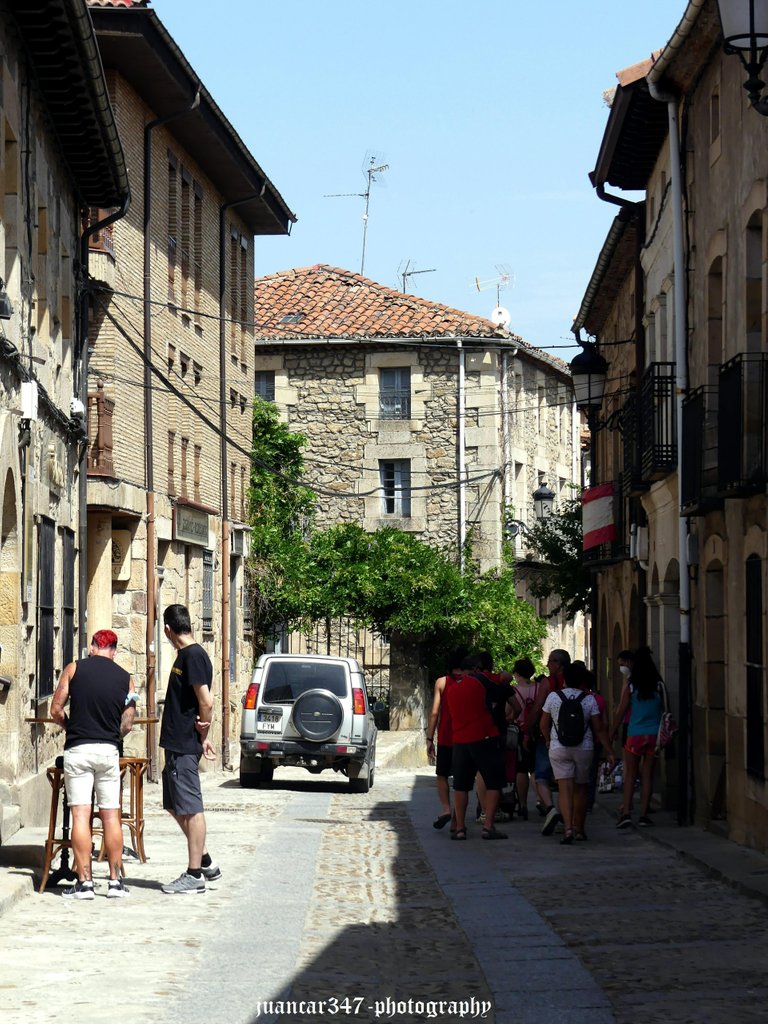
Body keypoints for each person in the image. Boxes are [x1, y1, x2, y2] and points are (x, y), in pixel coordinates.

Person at [50, 629, 137, 899]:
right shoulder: (127, 679)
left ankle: (85, 883)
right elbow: (128, 722)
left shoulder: (74, 669)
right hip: (108, 751)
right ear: (114, 650)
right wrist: (112, 734)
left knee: (80, 816)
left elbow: (55, 709)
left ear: (92, 647)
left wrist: (71, 727)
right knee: (111, 816)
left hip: (78, 749)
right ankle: (114, 882)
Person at [159, 604, 220, 893]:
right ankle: (205, 859)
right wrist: (204, 737)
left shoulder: (193, 655)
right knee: (173, 805)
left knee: (192, 808)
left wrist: (203, 728)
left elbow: (205, 701)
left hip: (183, 743)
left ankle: (194, 874)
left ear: (168, 629)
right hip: (178, 742)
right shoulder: (186, 655)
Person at [540, 661, 615, 844]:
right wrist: (609, 750)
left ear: (564, 678)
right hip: (584, 747)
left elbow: (543, 724)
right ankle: (579, 829)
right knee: (581, 788)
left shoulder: (553, 697)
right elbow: (599, 728)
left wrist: (548, 740)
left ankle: (567, 829)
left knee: (564, 789)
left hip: (559, 747)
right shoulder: (589, 699)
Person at [443, 654, 511, 840]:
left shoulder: (451, 689)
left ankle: (460, 828)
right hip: (485, 736)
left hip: (460, 740)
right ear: (475, 669)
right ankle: (488, 826)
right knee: (494, 783)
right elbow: (506, 679)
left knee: (461, 786)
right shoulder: (480, 681)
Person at [610, 646, 665, 829]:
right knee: (648, 774)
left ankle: (626, 812)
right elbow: (666, 711)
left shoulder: (632, 686)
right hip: (653, 735)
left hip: (635, 734)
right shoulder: (659, 685)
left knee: (631, 774)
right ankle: (643, 814)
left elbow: (621, 711)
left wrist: (612, 731)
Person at [528, 649, 571, 836]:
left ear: (559, 664)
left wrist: (529, 729)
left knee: (541, 776)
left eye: (550, 661)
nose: (547, 665)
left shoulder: (548, 683)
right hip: (576, 737)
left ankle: (551, 808)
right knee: (567, 779)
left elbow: (538, 708)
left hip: (550, 736)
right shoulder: (577, 681)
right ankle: (568, 818)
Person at [425, 647, 467, 830]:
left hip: (446, 736)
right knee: (460, 780)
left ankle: (446, 809)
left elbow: (435, 712)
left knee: (442, 775)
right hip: (466, 737)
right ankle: (458, 821)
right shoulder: (471, 682)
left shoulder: (442, 682)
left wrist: (429, 738)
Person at [509, 656, 542, 820]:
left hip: (519, 731)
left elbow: (509, 713)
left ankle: (522, 804)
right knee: (537, 768)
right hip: (538, 730)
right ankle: (541, 800)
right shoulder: (540, 688)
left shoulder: (513, 691)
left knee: (521, 769)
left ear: (517, 673)